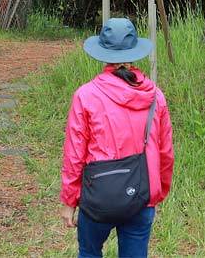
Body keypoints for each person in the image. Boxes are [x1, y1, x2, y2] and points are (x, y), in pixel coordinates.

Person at [60, 17, 174, 258]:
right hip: (142, 195)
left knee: (89, 252)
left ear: (102, 53)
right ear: (134, 52)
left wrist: (70, 200)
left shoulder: (86, 95)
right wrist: (157, 191)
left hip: (98, 195)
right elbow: (165, 152)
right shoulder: (154, 96)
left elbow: (74, 153)